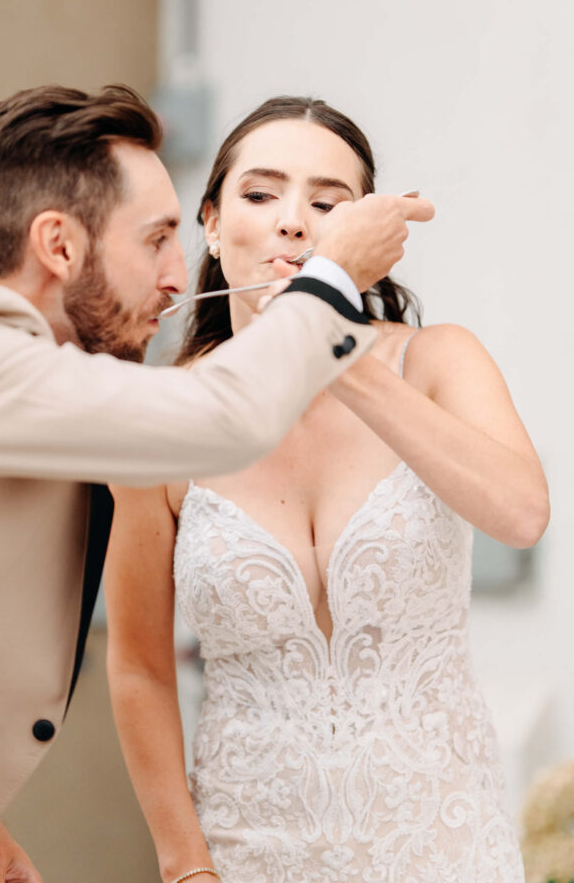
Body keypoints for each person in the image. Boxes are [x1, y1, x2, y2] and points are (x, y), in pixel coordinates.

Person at [0, 84, 433, 883]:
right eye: (156, 240)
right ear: (60, 247)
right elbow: (221, 419)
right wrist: (333, 277)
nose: (180, 279)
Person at [105, 96, 550, 883]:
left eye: (326, 203)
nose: (291, 221)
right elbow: (139, 665)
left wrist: (327, 344)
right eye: (260, 194)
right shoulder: (163, 422)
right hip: (249, 849)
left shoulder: (440, 361)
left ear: (368, 242)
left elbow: (520, 514)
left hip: (444, 843)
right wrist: (185, 866)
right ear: (210, 223)